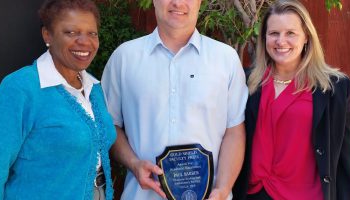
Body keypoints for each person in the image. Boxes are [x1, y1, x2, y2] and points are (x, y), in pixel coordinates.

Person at [0, 0, 116, 199]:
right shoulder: (20, 88)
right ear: (48, 35)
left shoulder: (93, 88)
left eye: (92, 33)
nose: (85, 41)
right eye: (71, 32)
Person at [101, 0, 248, 199]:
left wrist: (222, 189)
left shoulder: (226, 59)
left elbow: (234, 131)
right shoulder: (124, 58)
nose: (178, 3)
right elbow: (109, 125)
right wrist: (133, 164)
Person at [232, 0, 350, 199]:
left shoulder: (335, 88)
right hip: (253, 194)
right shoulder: (246, 81)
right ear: (264, 38)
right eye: (274, 33)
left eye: (290, 33)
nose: (281, 41)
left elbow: (346, 160)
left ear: (306, 37)